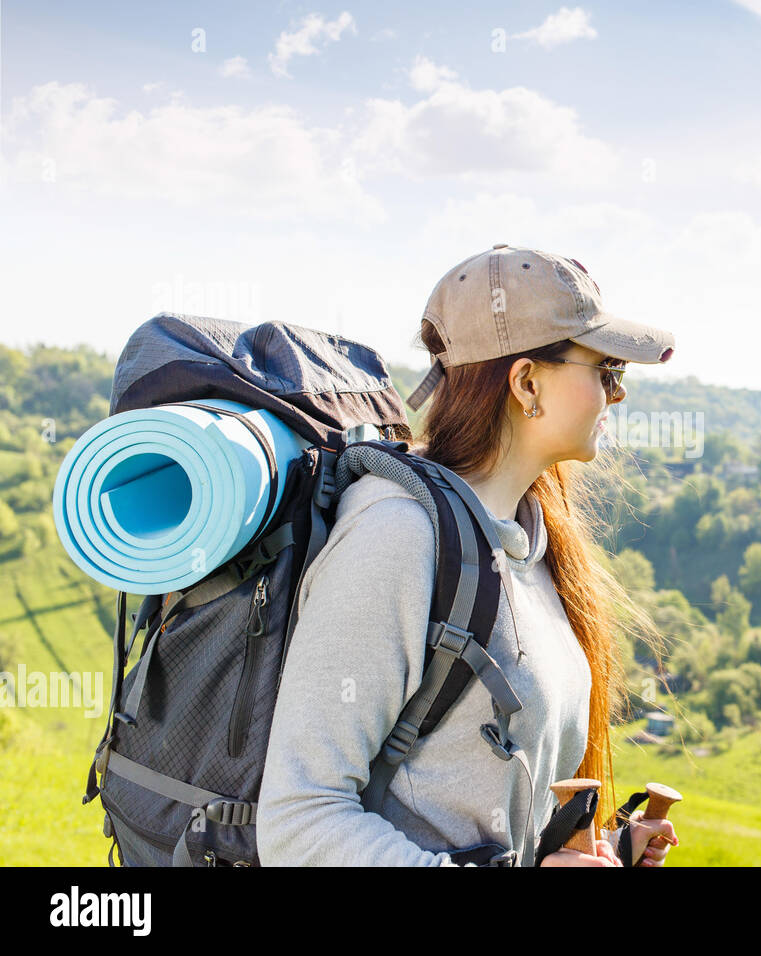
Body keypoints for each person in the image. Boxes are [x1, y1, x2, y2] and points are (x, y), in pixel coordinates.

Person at [257, 244, 680, 867]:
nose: (615, 394)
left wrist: (604, 847)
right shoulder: (396, 538)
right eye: (606, 370)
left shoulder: (528, 540)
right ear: (527, 382)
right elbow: (299, 823)